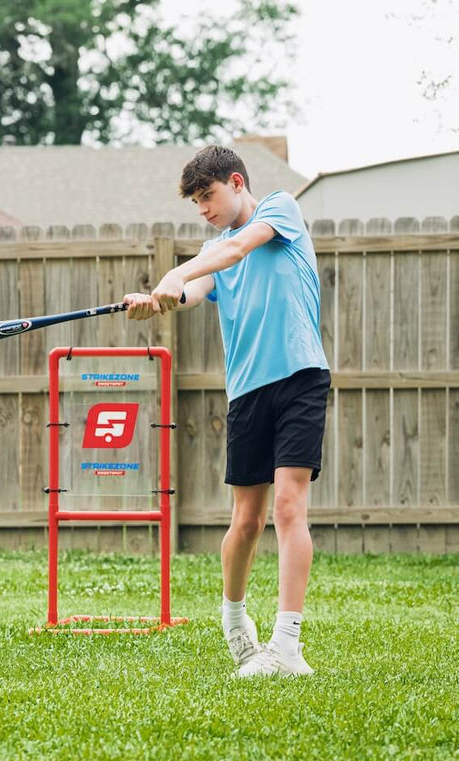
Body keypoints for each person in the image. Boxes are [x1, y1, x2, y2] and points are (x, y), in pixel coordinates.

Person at [123, 145, 330, 678]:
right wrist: (160, 297)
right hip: (247, 393)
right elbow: (196, 290)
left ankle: (287, 645)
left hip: (302, 377)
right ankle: (236, 622)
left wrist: (175, 273)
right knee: (246, 520)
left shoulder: (279, 209)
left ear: (236, 182)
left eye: (207, 195)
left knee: (288, 505)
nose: (204, 209)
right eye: (196, 201)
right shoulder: (212, 248)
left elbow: (238, 249)